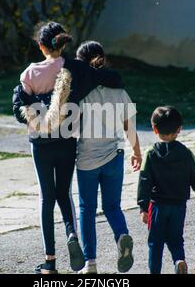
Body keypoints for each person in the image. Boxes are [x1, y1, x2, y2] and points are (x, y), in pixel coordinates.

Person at [12, 22, 124, 274]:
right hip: (66, 139)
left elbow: (20, 108)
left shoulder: (29, 73)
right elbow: (112, 78)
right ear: (63, 45)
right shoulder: (75, 68)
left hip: (40, 143)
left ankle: (50, 261)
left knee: (46, 197)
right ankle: (72, 234)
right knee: (65, 193)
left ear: (41, 46)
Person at [75, 41, 141, 274]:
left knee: (87, 210)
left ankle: (90, 263)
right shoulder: (118, 89)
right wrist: (137, 151)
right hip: (114, 156)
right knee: (113, 206)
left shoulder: (81, 91)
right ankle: (122, 235)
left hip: (87, 160)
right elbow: (129, 124)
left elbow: (70, 124)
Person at [137, 106, 195, 274]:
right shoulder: (186, 153)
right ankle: (179, 260)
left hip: (157, 206)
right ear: (179, 129)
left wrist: (143, 206)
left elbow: (144, 182)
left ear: (154, 129)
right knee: (176, 239)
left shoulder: (150, 153)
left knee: (155, 243)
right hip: (178, 206)